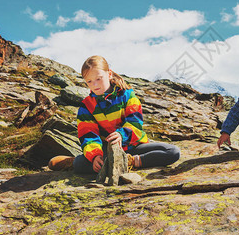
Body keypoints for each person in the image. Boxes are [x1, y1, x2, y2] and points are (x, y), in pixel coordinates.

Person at [49, 55, 180, 173]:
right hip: (107, 151)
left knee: (172, 152)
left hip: (133, 146)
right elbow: (88, 134)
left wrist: (122, 135)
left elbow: (135, 123)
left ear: (109, 74)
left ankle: (131, 162)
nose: (94, 85)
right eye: (89, 81)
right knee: (79, 164)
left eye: (98, 79)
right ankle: (72, 162)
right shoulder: (86, 106)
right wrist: (95, 156)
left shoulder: (128, 96)